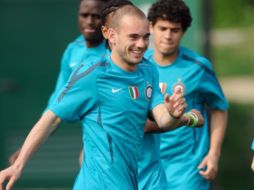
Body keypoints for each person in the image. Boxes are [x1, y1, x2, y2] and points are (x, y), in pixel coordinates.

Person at [0, 4, 187, 190]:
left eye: (146, 37)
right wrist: (18, 165)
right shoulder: (92, 75)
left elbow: (163, 120)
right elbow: (51, 117)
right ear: (110, 34)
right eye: (134, 37)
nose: (141, 44)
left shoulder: (149, 72)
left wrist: (177, 114)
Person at [8, 0, 109, 165]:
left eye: (96, 16)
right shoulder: (73, 50)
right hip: (92, 141)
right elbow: (56, 106)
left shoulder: (115, 52)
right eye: (84, 15)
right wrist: (28, 147)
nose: (89, 21)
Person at [144, 0, 229, 189]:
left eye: (174, 30)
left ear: (183, 32)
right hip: (149, 166)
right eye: (162, 28)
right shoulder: (140, 67)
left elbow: (219, 108)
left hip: (187, 169)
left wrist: (214, 153)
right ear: (151, 27)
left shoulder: (198, 67)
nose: (168, 36)